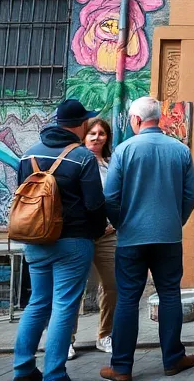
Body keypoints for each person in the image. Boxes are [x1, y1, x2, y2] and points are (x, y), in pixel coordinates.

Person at [100, 97, 194, 380]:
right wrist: (176, 220)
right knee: (170, 294)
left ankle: (121, 367)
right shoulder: (180, 150)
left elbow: (110, 197)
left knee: (128, 299)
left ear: (136, 120)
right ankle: (173, 359)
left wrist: (121, 223)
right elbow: (191, 194)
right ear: (160, 118)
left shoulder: (124, 150)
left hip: (131, 237)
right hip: (168, 237)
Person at [12, 100, 106, 381]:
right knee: (64, 306)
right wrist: (96, 231)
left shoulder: (27, 155)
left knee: (38, 303)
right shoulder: (82, 157)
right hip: (73, 241)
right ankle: (54, 373)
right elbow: (94, 204)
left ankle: (23, 369)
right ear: (81, 125)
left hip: (35, 240)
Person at [71, 117, 117, 355]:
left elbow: (119, 197)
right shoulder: (75, 161)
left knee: (112, 285)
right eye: (92, 133)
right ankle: (67, 340)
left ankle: (105, 335)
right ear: (84, 136)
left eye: (102, 133)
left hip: (108, 235)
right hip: (81, 235)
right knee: (73, 288)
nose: (97, 137)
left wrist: (113, 224)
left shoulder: (111, 164)